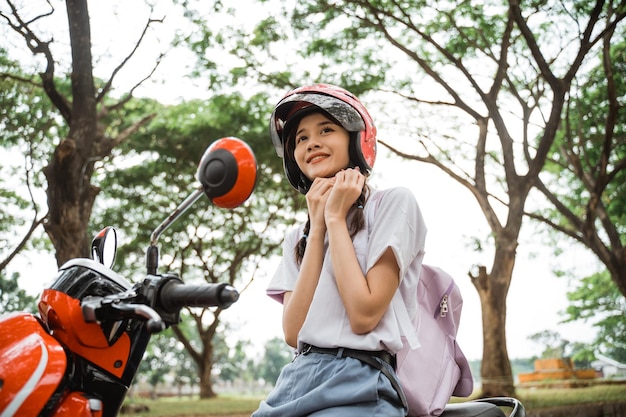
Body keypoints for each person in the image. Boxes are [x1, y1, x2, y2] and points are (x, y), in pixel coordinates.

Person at [252, 83, 426, 416]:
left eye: (326, 129)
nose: (311, 142)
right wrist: (317, 229)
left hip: (360, 380)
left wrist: (334, 216)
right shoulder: (298, 236)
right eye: (300, 138)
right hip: (296, 378)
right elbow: (293, 331)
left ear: (355, 139)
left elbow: (363, 316)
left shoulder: (392, 204)